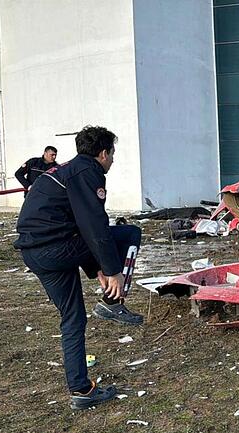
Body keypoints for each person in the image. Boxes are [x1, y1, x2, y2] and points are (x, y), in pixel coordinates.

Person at [13, 126, 143, 410]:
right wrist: (111, 270)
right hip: (53, 248)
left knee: (73, 319)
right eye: (113, 154)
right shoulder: (87, 173)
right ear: (103, 153)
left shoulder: (66, 170)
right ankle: (114, 301)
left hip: (36, 252)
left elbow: (74, 224)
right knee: (130, 233)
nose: (113, 161)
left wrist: (95, 266)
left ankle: (81, 390)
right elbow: (93, 226)